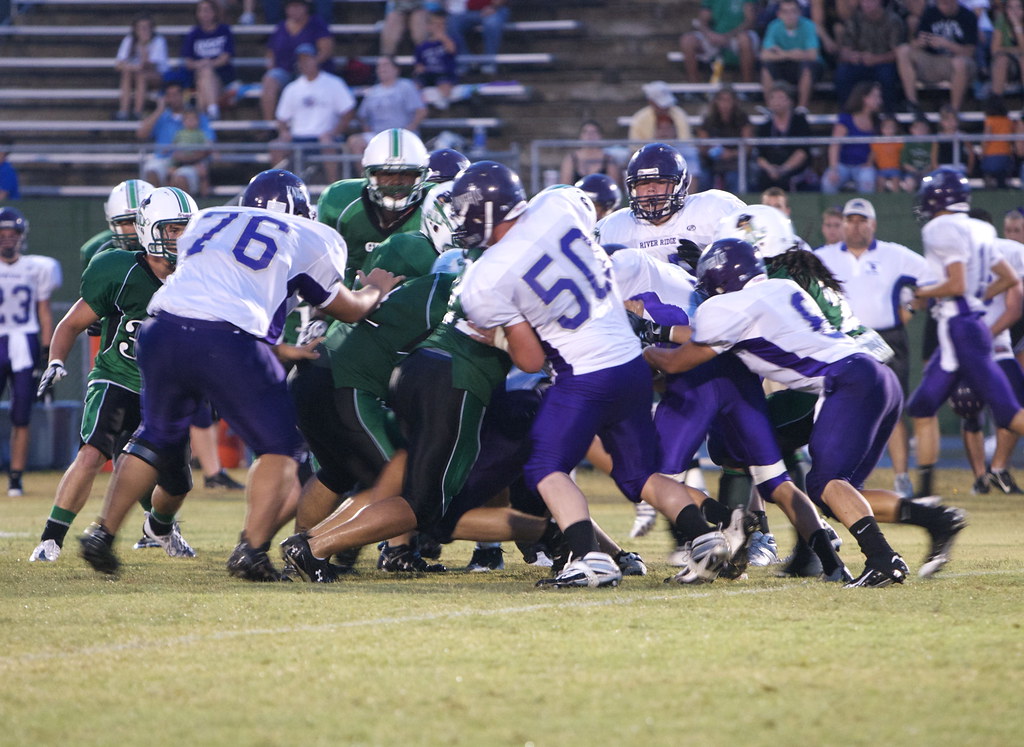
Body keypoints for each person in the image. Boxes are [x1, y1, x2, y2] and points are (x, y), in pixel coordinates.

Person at [77, 170, 403, 581]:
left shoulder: (209, 219)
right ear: (302, 209)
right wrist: (374, 289)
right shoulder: (310, 235)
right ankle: (251, 551)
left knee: (156, 435)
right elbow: (347, 309)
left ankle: (101, 533)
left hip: (161, 328)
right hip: (226, 337)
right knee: (281, 448)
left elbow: (214, 283)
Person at [452, 168, 742, 588]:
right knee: (638, 475)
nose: (461, 219)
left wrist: (496, 337)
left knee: (544, 466)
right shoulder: (558, 204)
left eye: (465, 210)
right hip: (631, 363)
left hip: (583, 372)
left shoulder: (485, 279)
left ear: (487, 210)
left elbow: (530, 360)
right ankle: (705, 537)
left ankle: (589, 558)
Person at [646, 237, 963, 585]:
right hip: (875, 375)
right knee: (840, 494)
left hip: (845, 382)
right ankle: (937, 520)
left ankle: (883, 558)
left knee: (825, 483)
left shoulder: (723, 308)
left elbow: (678, 362)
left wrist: (644, 347)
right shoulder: (782, 287)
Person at [29, 188, 198, 563]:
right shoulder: (118, 268)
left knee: (178, 482)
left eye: (185, 229)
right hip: (117, 375)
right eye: (172, 230)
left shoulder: (200, 275)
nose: (181, 238)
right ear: (152, 230)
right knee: (92, 453)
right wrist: (56, 359)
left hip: (166, 389)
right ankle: (50, 540)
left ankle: (160, 528)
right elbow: (72, 322)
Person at [907, 168, 1024, 504]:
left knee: (1009, 413)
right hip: (964, 324)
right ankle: (926, 495)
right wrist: (981, 296)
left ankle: (925, 493)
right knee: (922, 404)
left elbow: (956, 284)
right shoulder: (981, 228)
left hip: (960, 326)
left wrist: (923, 291)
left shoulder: (939, 227)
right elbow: (1009, 276)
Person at [815, 197, 928, 500]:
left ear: (873, 224)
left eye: (862, 220)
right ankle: (836, 477)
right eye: (850, 219)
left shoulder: (894, 254)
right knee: (833, 407)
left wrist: (912, 307)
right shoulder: (823, 256)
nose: (856, 225)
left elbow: (932, 278)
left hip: (886, 339)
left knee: (893, 408)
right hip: (843, 341)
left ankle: (902, 478)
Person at [596, 142, 745, 264]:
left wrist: (712, 266)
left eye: (660, 182)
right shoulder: (611, 228)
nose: (651, 190)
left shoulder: (715, 208)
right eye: (643, 183)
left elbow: (750, 262)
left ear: (682, 184)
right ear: (632, 188)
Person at [319, 128, 432, 284]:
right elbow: (319, 265)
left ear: (421, 176)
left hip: (414, 299)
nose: (396, 182)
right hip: (347, 299)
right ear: (369, 174)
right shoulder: (341, 202)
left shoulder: (434, 205)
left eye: (406, 174)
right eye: (386, 174)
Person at [0, 208, 60, 497]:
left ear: (22, 237)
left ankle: (15, 477)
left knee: (21, 414)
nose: (7, 240)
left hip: (25, 342)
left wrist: (47, 354)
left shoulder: (37, 267)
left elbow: (44, 312)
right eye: (2, 235)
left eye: (12, 235)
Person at [270, 43, 356, 184]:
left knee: (327, 144)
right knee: (277, 146)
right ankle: (280, 188)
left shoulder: (333, 83)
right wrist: (284, 132)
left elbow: (348, 112)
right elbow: (281, 118)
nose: (304, 63)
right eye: (301, 60)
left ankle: (332, 187)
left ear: (316, 59)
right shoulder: (292, 88)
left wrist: (333, 133)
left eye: (308, 59)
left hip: (324, 136)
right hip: (298, 137)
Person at [896, 0, 977, 113]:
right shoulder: (930, 13)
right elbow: (914, 42)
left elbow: (970, 52)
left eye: (946, 3)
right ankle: (912, 103)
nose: (943, 7)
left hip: (959, 63)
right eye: (940, 4)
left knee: (960, 63)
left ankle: (953, 110)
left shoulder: (968, 16)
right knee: (903, 51)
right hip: (933, 61)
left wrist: (947, 44)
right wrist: (919, 43)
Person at [259, 0, 334, 122]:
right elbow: (271, 51)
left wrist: (309, 65)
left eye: (298, 6)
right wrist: (271, 66)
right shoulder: (281, 26)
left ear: (305, 8)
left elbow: (326, 51)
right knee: (269, 80)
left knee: (305, 50)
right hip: (284, 70)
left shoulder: (316, 23)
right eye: (291, 7)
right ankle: (270, 125)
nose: (294, 10)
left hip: (310, 71)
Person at [137, 81, 217, 188]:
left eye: (176, 94)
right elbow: (141, 134)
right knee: (152, 171)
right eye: (169, 95)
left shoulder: (198, 117)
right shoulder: (161, 116)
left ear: (184, 95)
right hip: (163, 159)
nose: (173, 98)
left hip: (190, 161)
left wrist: (186, 159)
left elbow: (208, 145)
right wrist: (159, 109)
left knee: (181, 178)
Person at [345, 57, 427, 157]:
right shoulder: (373, 92)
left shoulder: (406, 86)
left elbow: (421, 111)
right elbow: (362, 116)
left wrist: (408, 130)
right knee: (355, 141)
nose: (382, 69)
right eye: (379, 66)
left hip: (402, 134)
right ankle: (367, 173)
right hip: (378, 135)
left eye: (386, 65)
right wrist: (368, 130)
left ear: (396, 69)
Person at [833, 0, 905, 114]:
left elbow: (898, 52)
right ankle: (847, 113)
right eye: (864, 1)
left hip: (884, 62)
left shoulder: (893, 21)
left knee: (887, 76)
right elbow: (844, 50)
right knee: (843, 73)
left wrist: (876, 59)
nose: (867, 4)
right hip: (861, 62)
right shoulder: (854, 20)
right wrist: (852, 56)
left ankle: (889, 115)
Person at [628, 81, 702, 187]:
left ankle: (688, 195)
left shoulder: (679, 114)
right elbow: (634, 149)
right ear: (651, 102)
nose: (665, 107)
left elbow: (686, 142)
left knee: (691, 155)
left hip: (678, 152)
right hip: (648, 155)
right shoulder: (639, 119)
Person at [177, 0, 236, 121]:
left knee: (205, 76)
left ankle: (204, 119)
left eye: (207, 10)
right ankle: (212, 110)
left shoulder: (224, 30)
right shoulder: (193, 33)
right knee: (201, 82)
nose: (204, 14)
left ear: (214, 12)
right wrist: (201, 64)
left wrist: (209, 64)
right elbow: (188, 62)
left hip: (221, 77)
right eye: (201, 11)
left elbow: (225, 57)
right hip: (197, 78)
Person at [760, 0, 824, 110]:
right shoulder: (774, 26)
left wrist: (782, 53)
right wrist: (791, 54)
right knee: (766, 68)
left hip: (805, 67)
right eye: (785, 12)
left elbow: (813, 55)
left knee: (808, 66)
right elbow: (764, 55)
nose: (789, 15)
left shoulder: (808, 25)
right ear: (779, 14)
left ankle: (801, 108)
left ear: (800, 13)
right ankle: (770, 108)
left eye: (793, 11)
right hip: (785, 65)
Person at [752, 81, 813, 192]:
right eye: (773, 98)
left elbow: (802, 152)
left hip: (793, 168)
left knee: (786, 180)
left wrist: (783, 169)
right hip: (770, 169)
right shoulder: (765, 126)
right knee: (762, 180)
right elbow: (760, 156)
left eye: (781, 98)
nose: (777, 102)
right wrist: (771, 169)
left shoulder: (799, 123)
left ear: (790, 101)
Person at [678, 0, 759, 83]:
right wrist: (710, 35)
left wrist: (727, 36)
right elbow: (702, 21)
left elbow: (750, 21)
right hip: (714, 36)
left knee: (745, 40)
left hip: (738, 35)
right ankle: (694, 88)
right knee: (687, 41)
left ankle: (747, 87)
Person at [823, 81, 881, 194]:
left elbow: (877, 147)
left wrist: (869, 163)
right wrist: (833, 169)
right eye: (875, 96)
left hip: (863, 166)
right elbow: (835, 145)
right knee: (828, 182)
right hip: (842, 165)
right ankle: (831, 211)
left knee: (867, 181)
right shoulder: (846, 119)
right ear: (865, 98)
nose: (879, 100)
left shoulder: (877, 122)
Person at [696, 85, 753, 193]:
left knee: (733, 177)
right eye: (721, 100)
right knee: (703, 178)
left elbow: (748, 148)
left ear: (735, 102)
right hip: (712, 162)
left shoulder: (742, 119)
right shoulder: (708, 120)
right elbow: (703, 146)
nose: (724, 104)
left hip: (735, 162)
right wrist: (713, 152)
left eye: (728, 100)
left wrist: (731, 154)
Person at [114, 13, 170, 121]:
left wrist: (143, 46)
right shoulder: (129, 40)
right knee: (127, 73)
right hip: (136, 74)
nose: (144, 30)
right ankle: (124, 111)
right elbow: (118, 65)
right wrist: (134, 68)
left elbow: (150, 66)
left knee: (141, 75)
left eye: (147, 27)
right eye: (141, 27)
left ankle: (138, 112)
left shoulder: (158, 41)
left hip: (157, 76)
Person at [446, 0, 509, 75]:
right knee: (452, 23)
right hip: (469, 11)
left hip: (497, 9)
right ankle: (466, 61)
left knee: (492, 23)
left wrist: (494, 7)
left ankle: (489, 62)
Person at [413, 7, 458, 110]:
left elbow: (452, 50)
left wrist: (443, 38)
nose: (439, 27)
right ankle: (416, 104)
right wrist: (419, 69)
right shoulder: (422, 46)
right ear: (429, 27)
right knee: (415, 85)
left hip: (444, 72)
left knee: (445, 84)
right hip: (427, 73)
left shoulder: (449, 40)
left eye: (442, 24)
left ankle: (443, 101)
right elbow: (418, 63)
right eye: (436, 24)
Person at [559, 120, 622, 187]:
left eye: (594, 132)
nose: (590, 135)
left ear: (600, 136)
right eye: (585, 132)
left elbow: (613, 186)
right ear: (580, 136)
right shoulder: (571, 159)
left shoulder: (608, 159)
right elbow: (565, 186)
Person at [169, 108, 214, 197]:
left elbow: (206, 149)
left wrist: (192, 157)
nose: (190, 122)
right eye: (188, 119)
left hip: (196, 163)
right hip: (180, 163)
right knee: (171, 175)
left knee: (202, 172)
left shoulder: (200, 134)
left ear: (197, 121)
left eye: (193, 119)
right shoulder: (179, 134)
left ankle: (204, 196)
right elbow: (174, 148)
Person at [980, 95, 1016, 189]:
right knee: (1002, 179)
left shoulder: (990, 120)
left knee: (988, 176)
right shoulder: (1008, 121)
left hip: (991, 155)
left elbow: (986, 138)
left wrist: (982, 153)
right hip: (1005, 155)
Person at [990, 0, 1024, 98]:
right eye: (1010, 7)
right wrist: (1017, 50)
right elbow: (995, 50)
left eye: (1018, 7)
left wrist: (1016, 25)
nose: (1014, 11)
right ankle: (996, 104)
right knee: (1001, 60)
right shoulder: (1002, 21)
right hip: (1008, 62)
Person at [932, 103, 975, 173]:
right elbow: (934, 156)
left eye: (953, 119)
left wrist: (969, 168)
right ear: (941, 122)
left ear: (957, 121)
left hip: (960, 167)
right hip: (943, 168)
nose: (950, 122)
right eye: (947, 119)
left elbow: (971, 153)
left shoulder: (962, 136)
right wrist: (937, 169)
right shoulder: (938, 137)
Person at [901, 114, 934, 191]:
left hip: (927, 172)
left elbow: (933, 161)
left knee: (929, 183)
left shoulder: (931, 144)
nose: (920, 131)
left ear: (927, 129)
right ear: (912, 129)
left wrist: (925, 170)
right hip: (912, 173)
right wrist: (915, 171)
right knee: (909, 183)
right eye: (917, 128)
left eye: (923, 128)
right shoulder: (908, 144)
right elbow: (904, 163)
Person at [872, 114, 904, 192]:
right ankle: (880, 200)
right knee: (880, 182)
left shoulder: (899, 142)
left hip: (895, 168)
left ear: (896, 129)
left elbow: (902, 155)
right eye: (886, 128)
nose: (889, 130)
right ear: (882, 129)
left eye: (891, 128)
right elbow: (873, 154)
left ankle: (896, 199)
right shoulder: (877, 142)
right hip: (881, 169)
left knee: (896, 182)